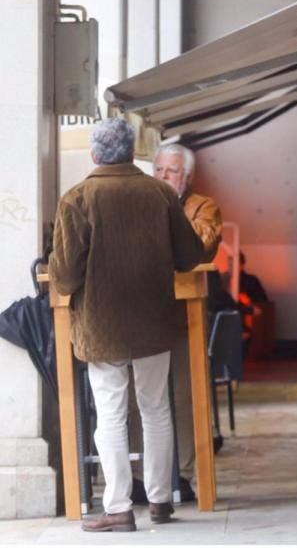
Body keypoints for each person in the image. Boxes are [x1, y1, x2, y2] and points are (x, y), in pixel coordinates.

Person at [49, 119, 203, 532]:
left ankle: (117, 507)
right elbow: (190, 256)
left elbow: (63, 277)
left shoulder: (77, 198)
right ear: (133, 151)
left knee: (112, 414)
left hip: (102, 326)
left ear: (95, 155)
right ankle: (160, 501)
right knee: (155, 409)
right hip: (154, 321)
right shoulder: (160, 194)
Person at [128, 143, 223, 502]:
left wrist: (163, 220)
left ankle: (184, 478)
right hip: (144, 316)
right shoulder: (139, 203)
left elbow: (200, 246)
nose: (163, 177)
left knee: (184, 400)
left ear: (188, 177)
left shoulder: (204, 206)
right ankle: (140, 480)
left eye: (171, 171)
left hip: (185, 319)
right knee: (140, 400)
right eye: (159, 170)